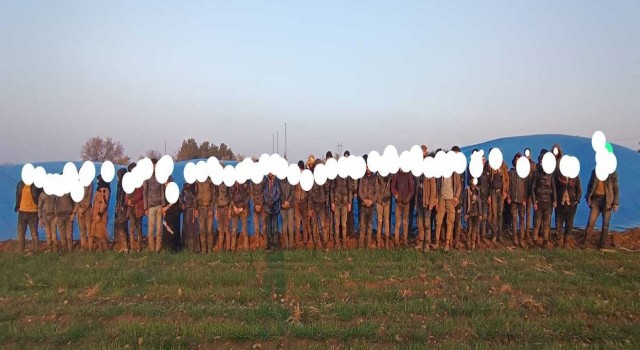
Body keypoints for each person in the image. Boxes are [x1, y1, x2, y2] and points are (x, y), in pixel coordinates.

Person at [584, 169, 619, 250]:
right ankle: (586, 243)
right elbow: (590, 185)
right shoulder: (595, 171)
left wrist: (615, 203)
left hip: (607, 202)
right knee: (590, 222)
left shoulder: (613, 173)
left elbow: (616, 189)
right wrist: (588, 197)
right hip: (596, 200)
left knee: (605, 225)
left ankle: (601, 246)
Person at [531, 150, 557, 249]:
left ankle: (545, 242)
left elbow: (553, 188)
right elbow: (532, 188)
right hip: (539, 201)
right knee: (537, 223)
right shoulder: (537, 174)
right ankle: (534, 241)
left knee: (547, 223)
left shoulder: (551, 174)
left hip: (548, 203)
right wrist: (534, 202)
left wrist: (554, 200)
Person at [555, 154, 582, 248]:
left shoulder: (575, 176)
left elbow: (579, 190)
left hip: (572, 204)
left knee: (569, 223)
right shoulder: (559, 175)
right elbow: (555, 188)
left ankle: (566, 241)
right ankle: (559, 241)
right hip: (561, 203)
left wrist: (577, 200)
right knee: (559, 223)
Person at [434, 167, 461, 252]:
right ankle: (436, 242)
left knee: (449, 222)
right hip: (442, 198)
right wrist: (437, 199)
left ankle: (447, 243)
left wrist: (456, 196)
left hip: (451, 200)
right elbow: (437, 186)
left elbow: (459, 185)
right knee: (438, 221)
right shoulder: (441, 172)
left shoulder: (454, 173)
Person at [488, 149, 510, 243]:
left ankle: (500, 235)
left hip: (501, 193)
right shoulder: (490, 165)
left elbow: (507, 179)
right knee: (494, 214)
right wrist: (489, 195)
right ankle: (494, 234)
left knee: (500, 214)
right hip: (493, 192)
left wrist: (506, 192)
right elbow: (488, 181)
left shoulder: (503, 165)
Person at [143, 159, 164, 252]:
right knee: (151, 230)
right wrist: (145, 207)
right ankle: (152, 249)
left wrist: (163, 205)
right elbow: (144, 192)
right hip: (151, 206)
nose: (154, 168)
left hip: (159, 206)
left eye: (155, 166)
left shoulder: (160, 177)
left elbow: (162, 191)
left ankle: (158, 249)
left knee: (159, 229)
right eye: (153, 166)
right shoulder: (147, 178)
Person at [15, 179, 41, 253]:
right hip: (22, 212)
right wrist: (17, 206)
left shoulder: (36, 185)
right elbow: (17, 196)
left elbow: (40, 196)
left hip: (33, 212)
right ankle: (21, 250)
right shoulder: (20, 184)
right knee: (21, 232)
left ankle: (35, 251)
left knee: (34, 232)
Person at [415, 164, 437, 251]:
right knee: (420, 223)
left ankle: (427, 243)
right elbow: (417, 189)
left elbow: (433, 190)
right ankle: (421, 241)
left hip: (427, 204)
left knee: (427, 224)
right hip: (420, 203)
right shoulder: (419, 176)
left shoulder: (430, 176)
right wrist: (416, 202)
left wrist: (431, 204)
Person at [507, 153, 527, 248]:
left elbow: (527, 187)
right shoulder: (511, 173)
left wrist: (525, 198)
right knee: (514, 220)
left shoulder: (524, 173)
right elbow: (508, 185)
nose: (517, 161)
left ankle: (521, 239)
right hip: (513, 200)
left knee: (522, 220)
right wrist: (508, 197)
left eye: (519, 160)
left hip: (522, 200)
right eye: (516, 160)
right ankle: (515, 238)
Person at [358, 158, 379, 249]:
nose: (368, 169)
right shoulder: (362, 178)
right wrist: (364, 200)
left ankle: (367, 245)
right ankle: (360, 245)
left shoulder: (375, 178)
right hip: (363, 205)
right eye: (367, 167)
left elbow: (377, 192)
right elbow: (359, 191)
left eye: (369, 167)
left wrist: (371, 201)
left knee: (370, 226)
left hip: (371, 206)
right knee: (362, 226)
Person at [307, 156, 327, 249]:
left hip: (322, 204)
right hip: (314, 205)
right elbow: (309, 193)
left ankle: (325, 243)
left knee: (323, 224)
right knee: (314, 224)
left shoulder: (324, 178)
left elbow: (327, 190)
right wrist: (310, 207)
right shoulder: (311, 177)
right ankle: (316, 243)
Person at [391, 169, 414, 248]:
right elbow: (392, 186)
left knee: (405, 222)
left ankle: (405, 240)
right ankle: (396, 241)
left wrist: (408, 198)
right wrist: (395, 194)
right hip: (398, 203)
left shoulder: (409, 174)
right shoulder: (397, 174)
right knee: (398, 223)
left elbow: (412, 189)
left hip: (406, 203)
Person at [331, 169, 353, 249]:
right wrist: (332, 202)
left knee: (344, 224)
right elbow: (332, 190)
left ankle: (344, 244)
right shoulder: (335, 176)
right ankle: (336, 244)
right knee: (336, 225)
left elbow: (350, 190)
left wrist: (349, 203)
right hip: (336, 204)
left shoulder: (347, 177)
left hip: (344, 204)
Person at [126, 163, 144, 252]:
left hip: (138, 208)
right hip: (131, 208)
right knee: (132, 228)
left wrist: (132, 201)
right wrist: (128, 202)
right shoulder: (129, 181)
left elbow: (141, 194)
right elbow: (126, 193)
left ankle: (139, 247)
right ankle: (133, 247)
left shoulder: (140, 182)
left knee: (138, 228)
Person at [161, 176, 182, 252]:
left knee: (174, 228)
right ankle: (167, 247)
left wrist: (167, 207)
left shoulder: (173, 186)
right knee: (167, 229)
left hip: (174, 211)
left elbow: (175, 198)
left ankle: (174, 247)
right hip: (167, 212)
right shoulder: (162, 188)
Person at [195, 178, 215, 253]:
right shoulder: (198, 181)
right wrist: (196, 208)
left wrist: (211, 208)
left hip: (209, 208)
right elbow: (195, 194)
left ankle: (210, 250)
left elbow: (214, 195)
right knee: (202, 230)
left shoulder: (210, 181)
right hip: (201, 209)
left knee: (210, 230)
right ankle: (203, 250)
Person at [91, 175, 111, 252]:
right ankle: (100, 249)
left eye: (98, 180)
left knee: (102, 233)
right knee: (96, 233)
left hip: (101, 214)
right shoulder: (98, 190)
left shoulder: (105, 190)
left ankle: (107, 250)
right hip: (95, 213)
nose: (97, 181)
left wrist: (99, 214)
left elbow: (104, 204)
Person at [451, 146, 465, 248]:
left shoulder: (462, 170)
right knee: (450, 220)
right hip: (450, 199)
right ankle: (449, 240)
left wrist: (459, 198)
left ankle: (456, 241)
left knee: (458, 221)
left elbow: (462, 185)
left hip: (458, 199)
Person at [230, 182, 250, 250]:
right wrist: (234, 206)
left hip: (243, 209)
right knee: (234, 229)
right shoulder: (232, 184)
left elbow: (248, 196)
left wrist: (242, 207)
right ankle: (232, 248)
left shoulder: (246, 183)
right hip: (234, 209)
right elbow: (230, 196)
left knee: (244, 229)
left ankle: (246, 248)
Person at [264, 173, 281, 250]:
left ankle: (276, 245)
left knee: (275, 227)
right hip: (267, 208)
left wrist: (272, 201)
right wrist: (268, 202)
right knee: (268, 228)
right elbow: (264, 193)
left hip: (275, 208)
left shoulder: (277, 182)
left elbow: (278, 193)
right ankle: (269, 244)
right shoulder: (266, 182)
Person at [463, 178, 481, 250]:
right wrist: (465, 213)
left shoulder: (477, 191)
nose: (473, 183)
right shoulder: (467, 191)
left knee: (474, 229)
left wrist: (480, 214)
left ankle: (473, 243)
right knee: (469, 229)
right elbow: (464, 203)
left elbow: (479, 203)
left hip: (476, 213)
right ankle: (468, 243)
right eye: (472, 181)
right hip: (469, 213)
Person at [75, 179, 93, 251]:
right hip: (79, 210)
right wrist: (79, 209)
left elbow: (89, 197)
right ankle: (83, 247)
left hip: (87, 210)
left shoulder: (89, 183)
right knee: (82, 230)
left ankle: (90, 247)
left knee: (89, 229)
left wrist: (84, 209)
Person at [294, 160, 309, 248]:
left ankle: (305, 241)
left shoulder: (307, 177)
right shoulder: (295, 177)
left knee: (305, 223)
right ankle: (297, 241)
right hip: (296, 202)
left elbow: (308, 190)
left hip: (304, 201)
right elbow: (293, 189)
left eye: (301, 169)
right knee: (297, 223)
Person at [181, 182, 199, 252]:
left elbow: (196, 197)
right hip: (187, 210)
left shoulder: (196, 185)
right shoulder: (185, 186)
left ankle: (195, 248)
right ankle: (187, 247)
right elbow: (181, 196)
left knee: (194, 229)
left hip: (193, 209)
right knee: (187, 228)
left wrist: (195, 207)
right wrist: (183, 203)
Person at [114, 168, 129, 253]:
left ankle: (125, 246)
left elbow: (125, 197)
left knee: (122, 226)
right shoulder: (119, 185)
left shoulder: (125, 185)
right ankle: (122, 245)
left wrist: (123, 205)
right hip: (119, 208)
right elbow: (118, 198)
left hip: (123, 209)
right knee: (119, 226)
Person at [376, 173, 392, 249]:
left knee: (386, 221)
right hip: (379, 201)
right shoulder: (378, 176)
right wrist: (379, 199)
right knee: (379, 221)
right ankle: (378, 241)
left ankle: (387, 241)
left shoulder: (390, 176)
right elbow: (376, 189)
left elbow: (392, 188)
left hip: (387, 201)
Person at [280, 174, 295, 249]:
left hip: (290, 206)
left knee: (291, 226)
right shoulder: (279, 181)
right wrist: (284, 202)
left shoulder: (291, 180)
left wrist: (288, 202)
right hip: (282, 207)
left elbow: (292, 192)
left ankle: (291, 246)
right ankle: (286, 245)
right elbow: (279, 193)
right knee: (284, 226)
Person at [251, 177, 267, 249]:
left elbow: (265, 192)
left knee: (264, 224)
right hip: (255, 206)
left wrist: (260, 203)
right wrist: (255, 204)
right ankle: (257, 242)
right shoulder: (252, 179)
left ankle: (265, 242)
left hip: (263, 205)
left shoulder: (264, 179)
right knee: (256, 225)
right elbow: (251, 193)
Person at [215, 183, 231, 251]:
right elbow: (215, 197)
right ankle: (221, 247)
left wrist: (230, 210)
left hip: (226, 208)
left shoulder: (228, 182)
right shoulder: (216, 183)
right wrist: (216, 210)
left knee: (227, 229)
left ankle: (228, 248)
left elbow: (231, 196)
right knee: (220, 229)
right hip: (219, 208)